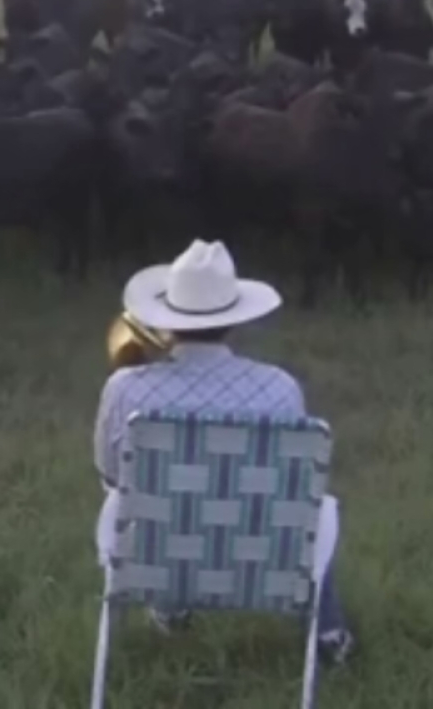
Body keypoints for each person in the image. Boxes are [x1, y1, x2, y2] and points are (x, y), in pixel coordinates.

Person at [93, 239, 354, 665]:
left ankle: (170, 604)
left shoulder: (125, 389)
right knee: (315, 510)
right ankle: (328, 633)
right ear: (234, 322)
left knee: (133, 499)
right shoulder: (280, 387)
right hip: (264, 562)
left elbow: (109, 474)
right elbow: (291, 489)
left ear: (169, 319)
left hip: (154, 559)